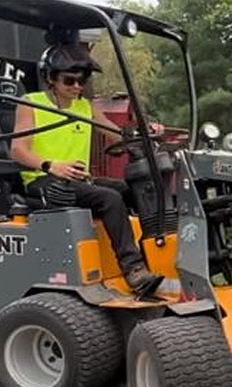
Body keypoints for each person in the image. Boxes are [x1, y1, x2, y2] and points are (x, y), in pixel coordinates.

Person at [10, 41, 162, 295]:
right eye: (69, 81)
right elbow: (17, 150)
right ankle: (134, 270)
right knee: (110, 198)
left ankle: (153, 253)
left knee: (131, 189)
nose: (77, 87)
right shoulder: (31, 103)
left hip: (79, 181)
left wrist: (146, 132)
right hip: (44, 181)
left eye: (82, 81)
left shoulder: (85, 107)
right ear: (50, 78)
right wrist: (51, 165)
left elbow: (117, 136)